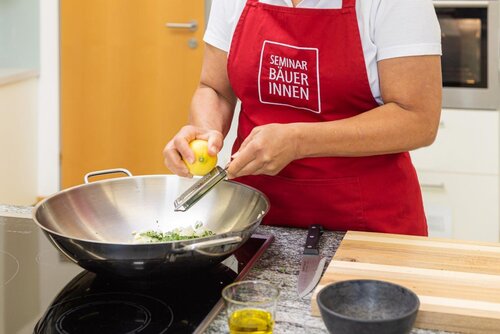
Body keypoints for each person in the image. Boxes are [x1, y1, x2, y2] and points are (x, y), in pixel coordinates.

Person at [163, 0, 442, 236]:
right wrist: (204, 133)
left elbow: (417, 118)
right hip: (255, 219)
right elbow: (214, 89)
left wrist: (299, 141)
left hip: (367, 224)